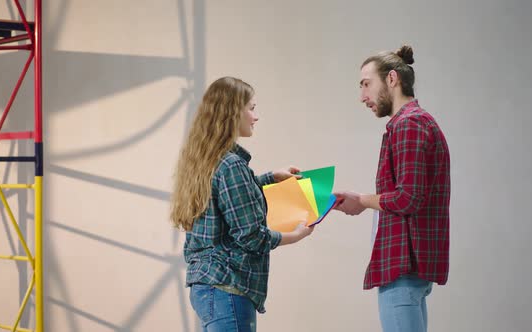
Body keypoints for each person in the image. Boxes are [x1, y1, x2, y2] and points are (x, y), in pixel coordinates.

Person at [170, 76, 314, 332]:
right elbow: (251, 237)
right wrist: (295, 235)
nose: (255, 116)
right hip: (229, 288)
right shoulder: (231, 165)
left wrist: (271, 177)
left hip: (206, 286)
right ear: (232, 112)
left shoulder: (207, 160)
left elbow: (225, 197)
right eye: (251, 108)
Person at [333, 45, 450, 332]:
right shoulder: (412, 123)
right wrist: (362, 201)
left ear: (392, 79)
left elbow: (408, 197)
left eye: (366, 84)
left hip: (402, 269)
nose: (362, 96)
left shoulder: (409, 125)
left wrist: (362, 200)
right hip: (407, 269)